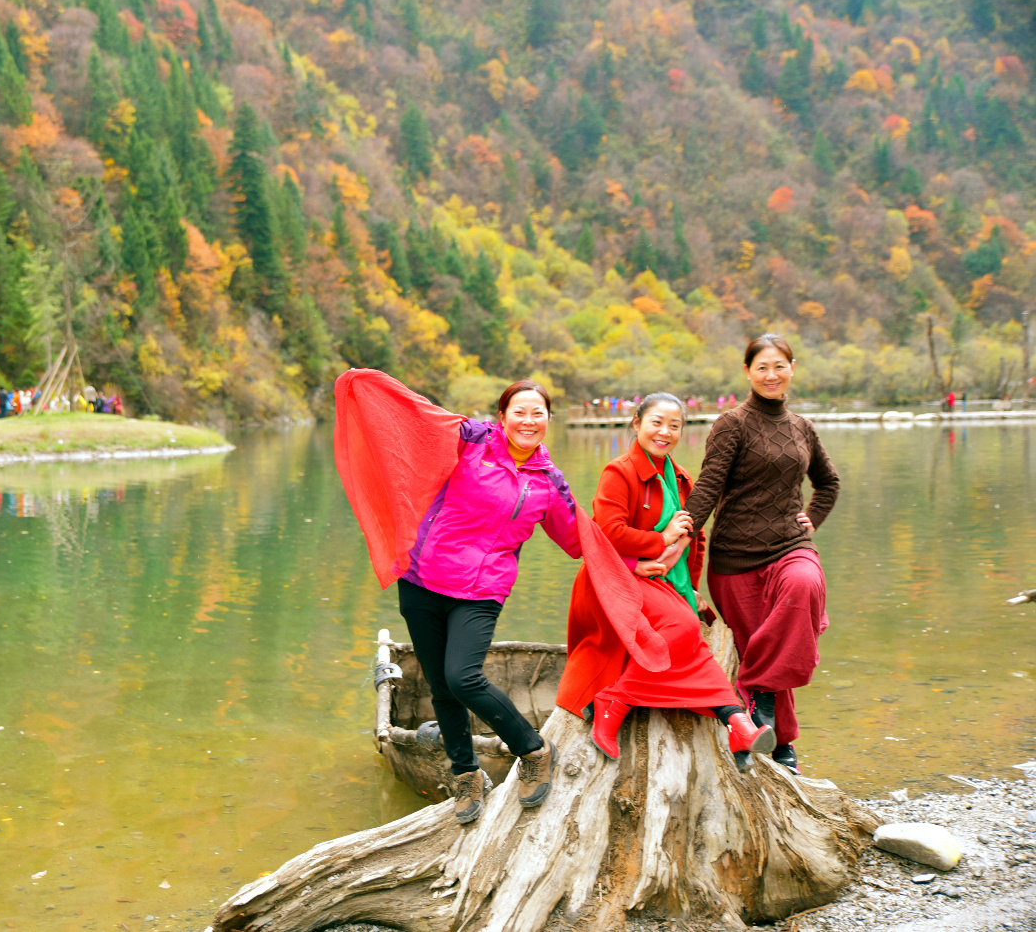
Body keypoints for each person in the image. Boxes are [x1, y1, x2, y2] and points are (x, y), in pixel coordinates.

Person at [335, 372, 662, 824]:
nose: (528, 421)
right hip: (422, 577)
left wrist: (629, 565)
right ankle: (465, 773)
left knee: (462, 677)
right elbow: (417, 420)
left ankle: (532, 748)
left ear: (548, 419)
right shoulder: (469, 441)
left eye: (538, 413)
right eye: (519, 412)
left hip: (482, 590)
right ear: (502, 416)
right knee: (439, 682)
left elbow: (579, 540)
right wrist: (368, 385)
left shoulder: (548, 481)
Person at [558, 393, 775, 772]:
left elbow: (695, 539)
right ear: (637, 422)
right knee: (684, 626)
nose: (665, 432)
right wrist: (660, 539)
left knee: (695, 645)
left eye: (674, 425)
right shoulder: (620, 471)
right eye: (657, 422)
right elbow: (606, 532)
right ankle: (616, 699)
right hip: (615, 576)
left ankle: (736, 722)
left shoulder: (681, 478)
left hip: (661, 580)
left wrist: (689, 586)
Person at [684, 334, 840, 774]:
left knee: (803, 588)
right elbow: (709, 487)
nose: (771, 375)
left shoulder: (802, 427)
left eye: (779, 366)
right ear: (748, 373)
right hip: (735, 555)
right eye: (762, 367)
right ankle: (783, 742)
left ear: (793, 367)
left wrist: (814, 516)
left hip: (791, 545)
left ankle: (757, 693)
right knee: (760, 645)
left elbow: (828, 482)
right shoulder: (731, 424)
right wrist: (682, 533)